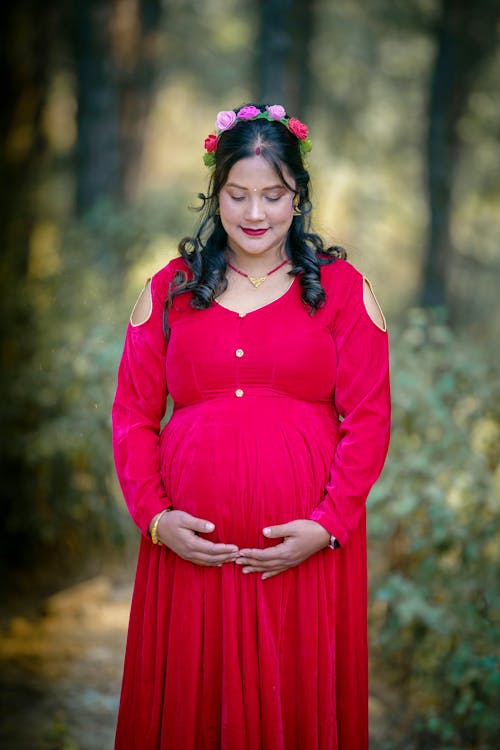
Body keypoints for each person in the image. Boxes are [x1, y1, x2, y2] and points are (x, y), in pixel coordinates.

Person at [112, 103, 391, 750]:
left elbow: (370, 419)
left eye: (273, 194)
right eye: (238, 195)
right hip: (190, 555)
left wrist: (327, 526)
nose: (255, 213)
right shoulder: (171, 290)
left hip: (301, 558)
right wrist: (155, 517)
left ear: (299, 196)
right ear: (216, 194)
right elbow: (132, 414)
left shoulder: (343, 291)